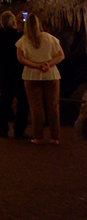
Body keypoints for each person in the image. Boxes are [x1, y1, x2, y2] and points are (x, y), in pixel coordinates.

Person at [16, 12, 65, 145]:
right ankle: (55, 137)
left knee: (36, 107)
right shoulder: (50, 38)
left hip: (31, 76)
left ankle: (38, 136)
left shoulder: (23, 41)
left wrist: (36, 65)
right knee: (53, 106)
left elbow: (20, 58)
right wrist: (48, 64)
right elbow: (61, 55)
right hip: (51, 74)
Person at [0, 10, 29, 139]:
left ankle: (2, 129)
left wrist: (14, 22)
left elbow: (6, 30)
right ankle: (19, 130)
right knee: (22, 101)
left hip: (4, 72)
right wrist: (21, 22)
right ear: (14, 23)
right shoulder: (19, 37)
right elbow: (25, 34)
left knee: (5, 101)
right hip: (18, 72)